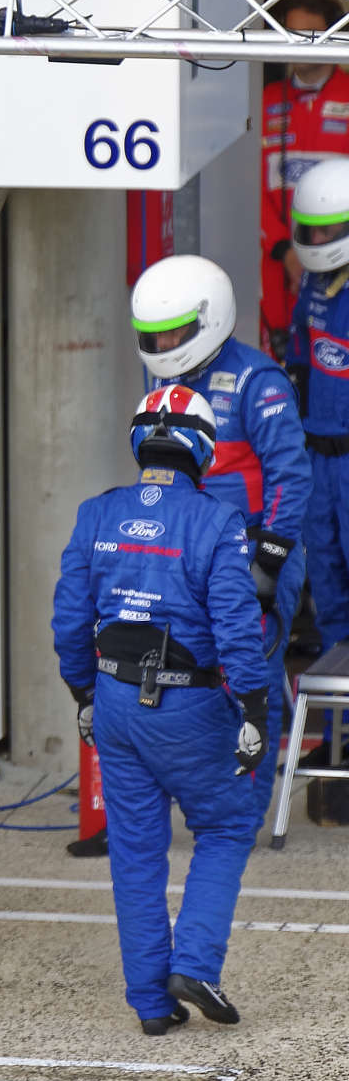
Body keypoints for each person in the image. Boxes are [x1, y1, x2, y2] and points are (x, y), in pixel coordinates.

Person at [51, 385, 270, 1035]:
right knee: (230, 823)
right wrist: (255, 708)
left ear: (139, 441)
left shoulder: (96, 513)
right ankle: (195, 963)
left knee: (136, 852)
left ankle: (152, 1002)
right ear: (202, 448)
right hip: (189, 703)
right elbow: (237, 625)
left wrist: (83, 693)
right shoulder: (217, 519)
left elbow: (69, 619)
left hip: (115, 702)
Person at [132, 254, 309, 811]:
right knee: (184, 667)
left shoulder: (259, 381)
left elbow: (291, 474)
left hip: (253, 548)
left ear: (209, 319)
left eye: (174, 336)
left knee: (249, 671)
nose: (162, 349)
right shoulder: (161, 386)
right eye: (152, 338)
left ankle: (246, 807)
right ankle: (203, 786)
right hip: (185, 552)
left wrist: (269, 560)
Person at [258, 0, 349, 352]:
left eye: (309, 36)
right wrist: (285, 251)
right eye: (290, 35)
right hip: (276, 267)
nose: (299, 45)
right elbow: (249, 187)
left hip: (340, 261)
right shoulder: (263, 101)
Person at [282, 159, 349, 651]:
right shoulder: (311, 284)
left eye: (331, 231)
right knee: (328, 591)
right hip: (317, 462)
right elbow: (299, 362)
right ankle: (340, 721)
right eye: (313, 231)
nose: (319, 240)